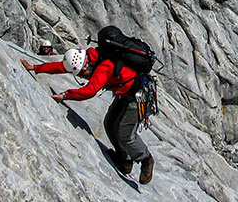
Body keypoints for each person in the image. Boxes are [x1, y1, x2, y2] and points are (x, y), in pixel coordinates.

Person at [21, 47, 155, 184]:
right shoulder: (90, 59)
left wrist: (66, 95)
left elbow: (90, 91)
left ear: (85, 66)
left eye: (82, 74)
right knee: (109, 124)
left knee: (125, 135)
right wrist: (35, 68)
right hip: (126, 94)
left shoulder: (104, 66)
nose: (83, 77)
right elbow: (63, 66)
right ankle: (124, 160)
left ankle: (146, 160)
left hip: (138, 97)